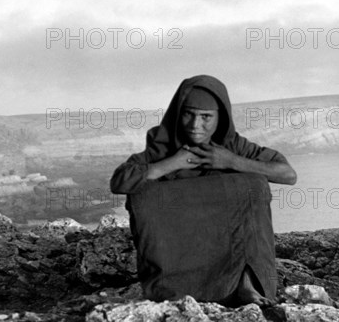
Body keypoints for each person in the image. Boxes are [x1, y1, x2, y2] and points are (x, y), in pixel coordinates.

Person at [110, 75, 297, 307]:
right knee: (143, 193)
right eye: (189, 114)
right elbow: (119, 182)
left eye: (206, 117)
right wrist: (173, 163)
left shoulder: (233, 146)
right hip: (179, 246)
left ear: (221, 118)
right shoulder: (162, 145)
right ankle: (171, 288)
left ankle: (246, 286)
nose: (195, 125)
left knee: (254, 186)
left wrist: (231, 161)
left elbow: (288, 175)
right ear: (178, 112)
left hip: (226, 245)